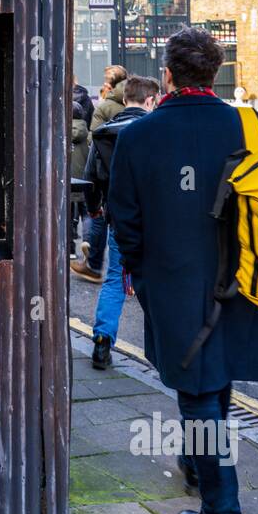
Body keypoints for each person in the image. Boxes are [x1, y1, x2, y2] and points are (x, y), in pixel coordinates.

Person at [107, 27, 258, 514]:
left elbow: (124, 220)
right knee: (214, 377)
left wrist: (138, 272)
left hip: (175, 280)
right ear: (216, 71)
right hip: (244, 280)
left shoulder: (138, 135)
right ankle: (194, 462)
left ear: (168, 74)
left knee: (200, 393)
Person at [84, 76, 160, 370]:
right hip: (155, 222)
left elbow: (91, 177)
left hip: (118, 219)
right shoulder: (156, 132)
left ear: (125, 98)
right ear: (151, 100)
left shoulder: (104, 133)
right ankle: (165, 350)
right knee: (156, 282)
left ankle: (102, 342)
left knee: (115, 279)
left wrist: (94, 210)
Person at [72, 64, 129, 282]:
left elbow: (94, 139)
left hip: (106, 171)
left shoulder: (105, 105)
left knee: (98, 215)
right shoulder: (134, 98)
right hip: (130, 173)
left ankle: (95, 265)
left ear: (111, 83)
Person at [69, 95, 90, 258]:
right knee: (86, 212)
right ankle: (89, 242)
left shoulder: (63, 131)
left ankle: (70, 249)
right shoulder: (87, 133)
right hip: (84, 177)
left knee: (68, 215)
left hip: (69, 179)